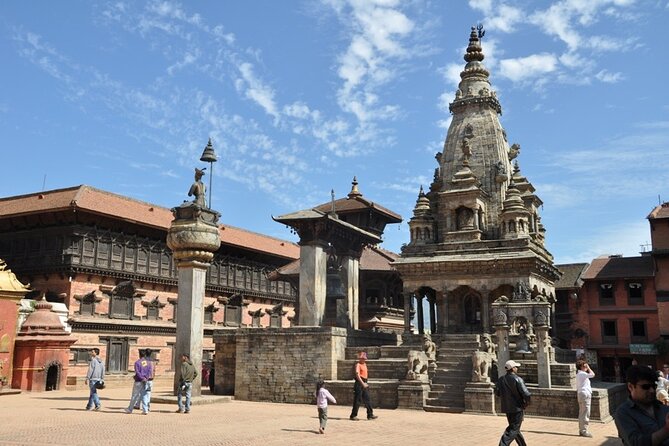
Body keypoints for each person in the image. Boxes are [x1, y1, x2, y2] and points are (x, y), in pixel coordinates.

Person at [615, 365, 669, 445]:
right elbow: (636, 443)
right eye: (646, 387)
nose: (652, 391)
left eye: (654, 386)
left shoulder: (663, 408)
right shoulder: (623, 412)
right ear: (631, 387)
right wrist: (666, 430)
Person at [495, 359, 531, 446]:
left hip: (507, 408)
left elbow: (497, 393)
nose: (517, 368)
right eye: (516, 367)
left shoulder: (501, 379)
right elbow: (526, 394)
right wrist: (526, 403)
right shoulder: (518, 379)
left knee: (515, 428)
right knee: (513, 429)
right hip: (517, 408)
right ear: (513, 369)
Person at [349, 351, 378, 421]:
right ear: (360, 358)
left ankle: (370, 414)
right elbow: (357, 375)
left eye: (364, 358)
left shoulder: (364, 364)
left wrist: (365, 383)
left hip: (364, 382)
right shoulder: (358, 365)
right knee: (357, 400)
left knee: (367, 399)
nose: (363, 360)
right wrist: (362, 383)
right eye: (362, 358)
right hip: (359, 383)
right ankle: (353, 415)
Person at [125, 349, 154, 414]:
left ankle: (130, 409)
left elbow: (137, 372)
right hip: (145, 381)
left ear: (139, 355)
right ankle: (145, 410)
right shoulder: (148, 363)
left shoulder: (137, 363)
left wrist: (141, 378)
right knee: (144, 395)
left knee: (134, 395)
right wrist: (145, 378)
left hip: (138, 381)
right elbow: (149, 371)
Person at [576, 359, 596, 437]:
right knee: (585, 413)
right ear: (580, 367)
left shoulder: (580, 374)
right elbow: (593, 374)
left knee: (582, 412)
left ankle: (582, 430)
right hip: (584, 394)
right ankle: (584, 431)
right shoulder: (582, 374)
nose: (586, 367)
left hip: (581, 394)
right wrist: (589, 368)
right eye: (584, 366)